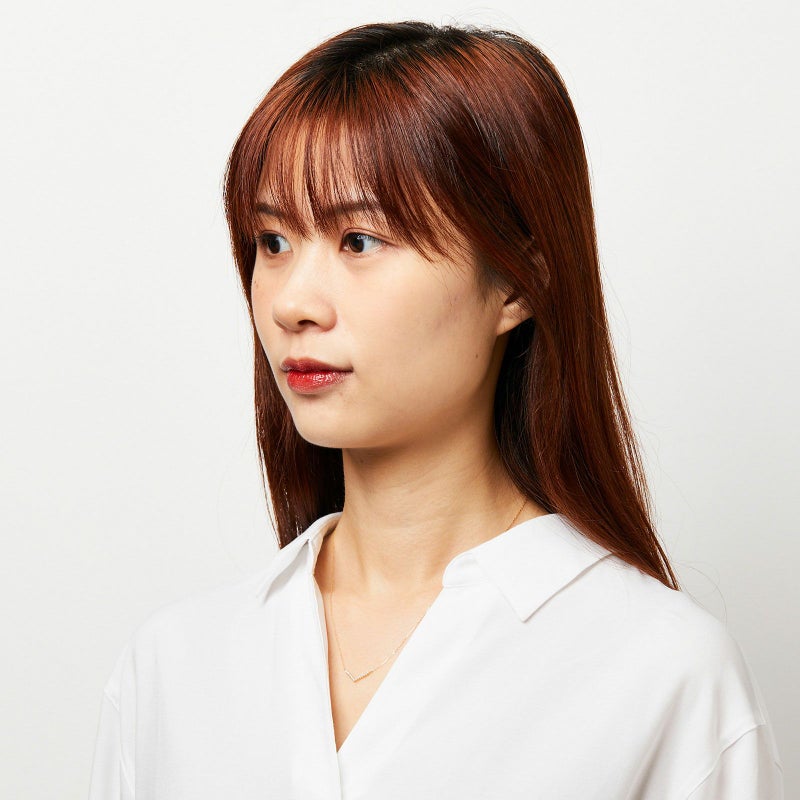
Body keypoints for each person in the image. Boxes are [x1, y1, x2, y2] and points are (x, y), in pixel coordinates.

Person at [88, 20, 784, 799]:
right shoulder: (173, 670)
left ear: (515, 283)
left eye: (358, 240)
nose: (291, 304)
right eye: (273, 241)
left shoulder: (665, 676)